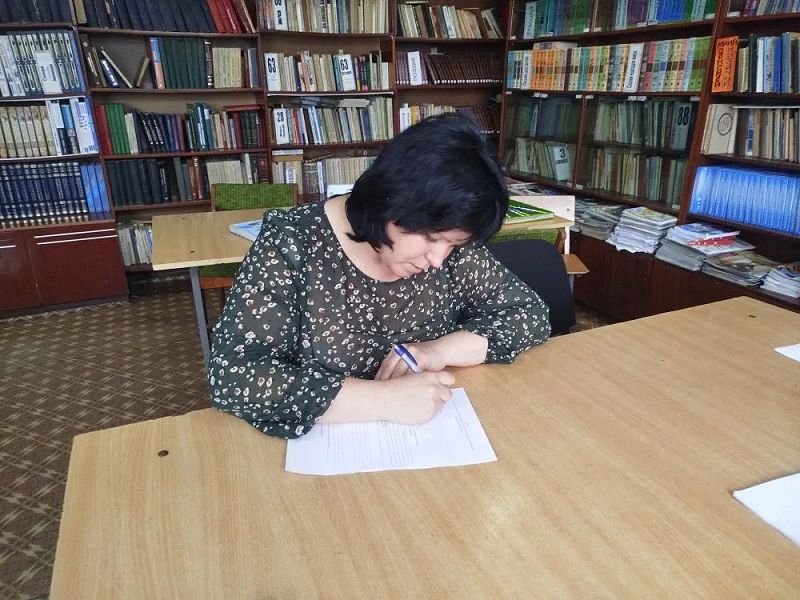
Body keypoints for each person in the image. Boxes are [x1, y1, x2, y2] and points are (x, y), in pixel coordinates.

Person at [208, 115, 551, 438]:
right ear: (393, 203)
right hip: (327, 452)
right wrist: (384, 400)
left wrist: (438, 350)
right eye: (431, 238)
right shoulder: (292, 243)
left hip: (426, 441)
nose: (437, 260)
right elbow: (233, 375)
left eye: (452, 244)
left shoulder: (449, 244)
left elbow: (528, 314)